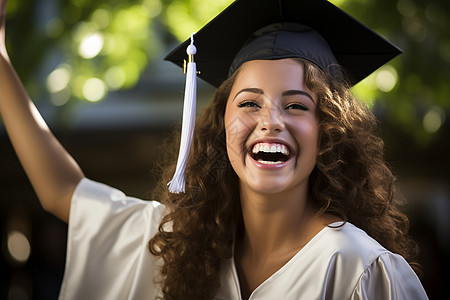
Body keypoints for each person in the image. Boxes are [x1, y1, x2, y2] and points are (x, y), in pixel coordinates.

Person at [0, 0, 428, 299]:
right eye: (249, 103)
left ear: (329, 130)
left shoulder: (360, 271)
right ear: (221, 124)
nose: (270, 120)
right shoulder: (179, 246)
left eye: (296, 105)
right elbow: (63, 193)